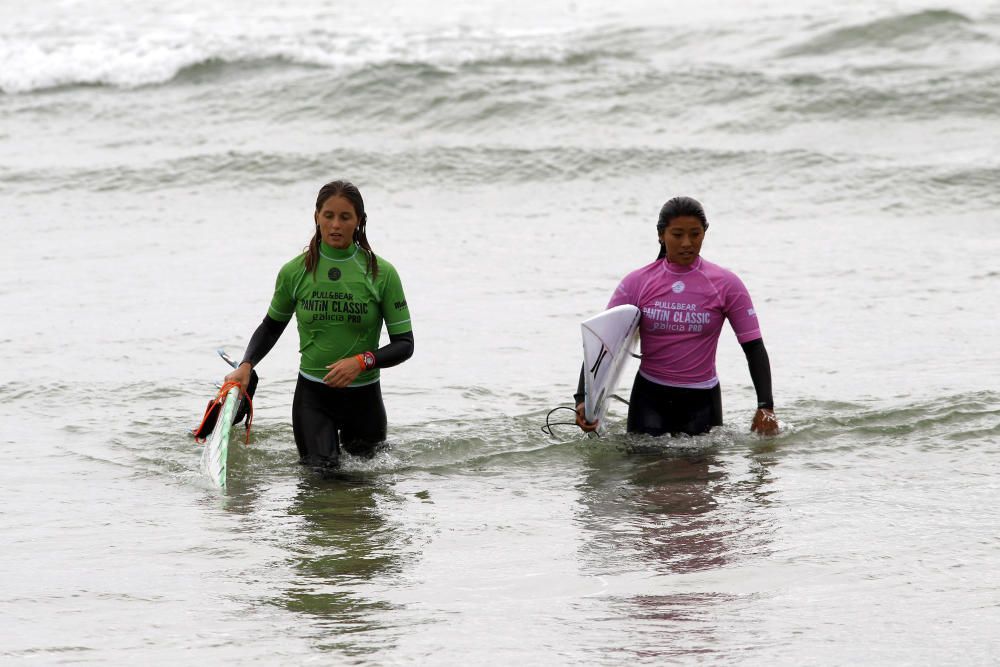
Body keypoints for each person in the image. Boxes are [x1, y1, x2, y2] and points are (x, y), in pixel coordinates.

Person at [225, 180, 414, 470]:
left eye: (345, 217)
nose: (335, 224)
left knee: (366, 489)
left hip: (365, 401)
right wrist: (247, 364)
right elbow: (271, 326)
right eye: (329, 215)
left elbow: (405, 344)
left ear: (359, 222)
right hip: (313, 398)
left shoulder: (381, 274)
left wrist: (362, 362)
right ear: (317, 217)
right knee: (320, 479)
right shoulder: (295, 272)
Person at [575, 196, 778, 437]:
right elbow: (604, 345)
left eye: (695, 234)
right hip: (650, 399)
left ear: (705, 233)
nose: (687, 243)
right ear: (661, 234)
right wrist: (583, 400)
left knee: (701, 472)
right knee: (645, 472)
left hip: (702, 401)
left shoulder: (726, 284)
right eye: (677, 234)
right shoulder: (637, 283)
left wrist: (766, 407)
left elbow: (754, 347)